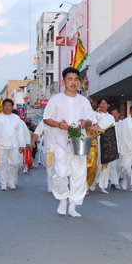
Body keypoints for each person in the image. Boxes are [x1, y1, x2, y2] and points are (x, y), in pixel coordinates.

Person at [43, 67, 95, 217]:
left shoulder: (84, 101)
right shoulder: (56, 99)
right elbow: (46, 118)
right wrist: (59, 124)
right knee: (60, 173)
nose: (73, 82)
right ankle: (62, 199)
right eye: (70, 79)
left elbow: (91, 119)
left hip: (79, 141)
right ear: (64, 81)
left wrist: (86, 122)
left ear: (79, 82)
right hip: (60, 141)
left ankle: (73, 205)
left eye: (76, 79)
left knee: (79, 174)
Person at [0, 98, 29, 191]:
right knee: (2, 164)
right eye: (5, 105)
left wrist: (22, 144)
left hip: (14, 144)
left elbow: (20, 132)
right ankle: (3, 184)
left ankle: (12, 182)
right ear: (3, 106)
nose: (7, 107)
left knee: (14, 163)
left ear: (12, 107)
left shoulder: (16, 118)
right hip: (1, 144)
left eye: (9, 105)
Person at [93, 98, 117, 194]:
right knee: (96, 164)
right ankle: (92, 183)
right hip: (97, 142)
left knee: (106, 165)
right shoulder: (95, 115)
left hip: (108, 143)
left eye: (105, 103)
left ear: (108, 105)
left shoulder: (111, 117)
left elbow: (112, 131)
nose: (103, 105)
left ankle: (103, 186)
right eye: (101, 103)